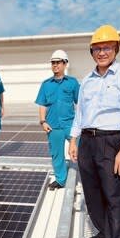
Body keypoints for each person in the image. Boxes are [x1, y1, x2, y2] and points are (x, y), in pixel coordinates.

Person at [69, 25, 120, 238]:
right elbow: (80, 112)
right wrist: (74, 139)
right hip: (88, 141)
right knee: (92, 193)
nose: (102, 52)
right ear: (92, 52)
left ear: (116, 48)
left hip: (112, 141)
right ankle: (104, 231)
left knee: (113, 195)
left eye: (107, 47)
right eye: (97, 48)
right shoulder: (87, 81)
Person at [35, 50, 80, 190]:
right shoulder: (46, 84)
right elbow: (42, 104)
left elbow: (80, 104)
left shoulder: (72, 83)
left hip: (70, 125)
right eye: (53, 63)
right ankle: (61, 180)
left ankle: (89, 176)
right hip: (53, 126)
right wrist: (43, 121)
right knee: (57, 154)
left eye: (58, 62)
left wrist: (80, 123)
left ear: (65, 64)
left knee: (82, 150)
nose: (55, 65)